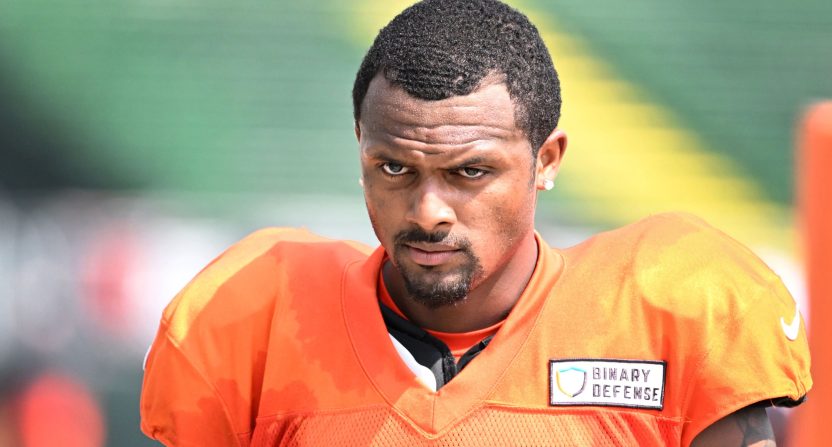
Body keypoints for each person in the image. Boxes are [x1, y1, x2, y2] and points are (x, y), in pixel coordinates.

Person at [139, 0, 812, 445]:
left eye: (469, 172)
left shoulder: (670, 309)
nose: (428, 211)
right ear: (361, 148)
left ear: (545, 160)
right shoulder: (254, 316)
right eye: (396, 169)